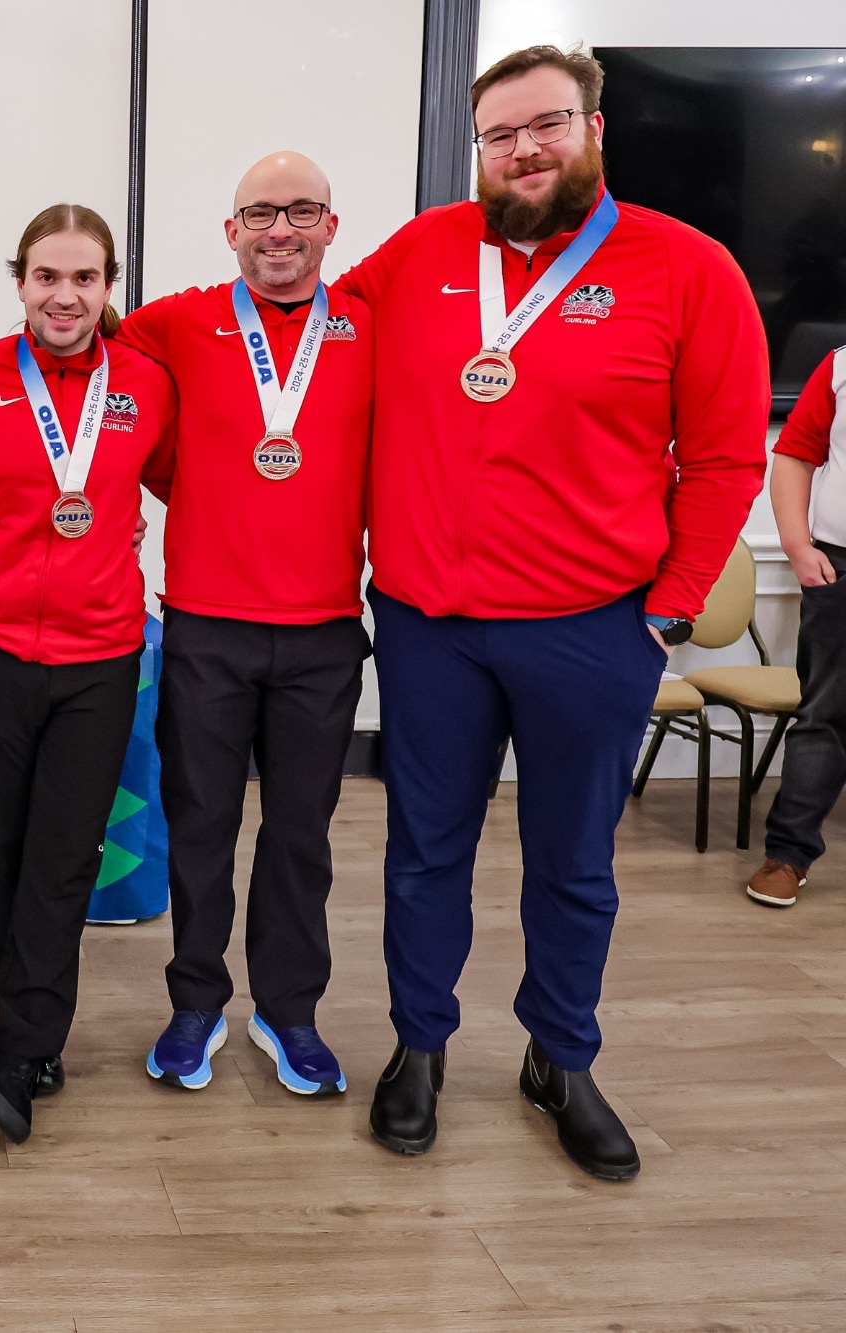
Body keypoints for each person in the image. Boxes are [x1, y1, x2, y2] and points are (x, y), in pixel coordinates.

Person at [332, 46, 768, 1180]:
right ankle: (417, 1048)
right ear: (474, 150)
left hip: (591, 629)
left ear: (593, 129)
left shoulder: (686, 268)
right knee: (424, 854)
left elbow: (722, 461)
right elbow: (288, 338)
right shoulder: (423, 252)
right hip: (430, 626)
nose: (522, 149)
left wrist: (665, 615)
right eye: (497, 134)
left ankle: (560, 1058)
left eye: (545, 124)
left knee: (572, 863)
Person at [120, 151, 373, 1099]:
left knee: (300, 833)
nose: (280, 230)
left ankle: (289, 1010)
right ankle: (195, 1003)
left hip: (322, 630)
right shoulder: (176, 321)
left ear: (330, 228)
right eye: (260, 214)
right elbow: (76, 348)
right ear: (231, 231)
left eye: (302, 211)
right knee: (200, 827)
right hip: (205, 627)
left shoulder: (368, 326)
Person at [0, 204, 177, 1144]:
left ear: (109, 288)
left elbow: (172, 479)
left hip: (101, 658)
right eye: (45, 277)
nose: (64, 296)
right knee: (13, 848)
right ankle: (28, 1024)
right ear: (19, 282)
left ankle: (25, 1039)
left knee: (66, 853)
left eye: (84, 278)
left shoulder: (147, 384)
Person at [746, 342, 846, 908]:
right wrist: (795, 544)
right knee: (825, 716)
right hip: (839, 566)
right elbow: (794, 454)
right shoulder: (840, 365)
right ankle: (787, 857)